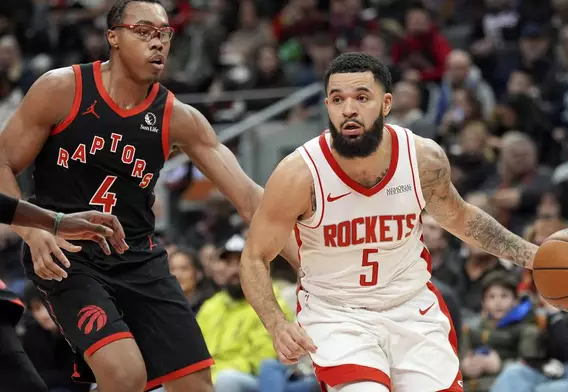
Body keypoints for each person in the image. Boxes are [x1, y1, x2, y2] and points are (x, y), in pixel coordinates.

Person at [0, 1, 296, 391]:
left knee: (195, 385)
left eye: (164, 33)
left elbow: (251, 199)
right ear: (113, 37)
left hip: (138, 257)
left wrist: (310, 261)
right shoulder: (62, 89)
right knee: (125, 375)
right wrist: (33, 231)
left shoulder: (178, 117)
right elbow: (3, 162)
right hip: (65, 252)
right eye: (143, 31)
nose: (157, 42)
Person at [240, 52, 540, 392]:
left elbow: (461, 217)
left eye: (361, 97)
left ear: (385, 104)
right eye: (337, 99)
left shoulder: (421, 159)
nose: (348, 109)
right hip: (338, 314)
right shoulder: (299, 174)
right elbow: (254, 256)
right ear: (327, 105)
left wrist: (534, 257)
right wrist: (276, 322)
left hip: (411, 307)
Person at [0, 193, 126, 392]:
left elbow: (4, 204)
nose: (42, 314)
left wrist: (57, 222)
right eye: (37, 308)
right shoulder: (32, 331)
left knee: (27, 385)